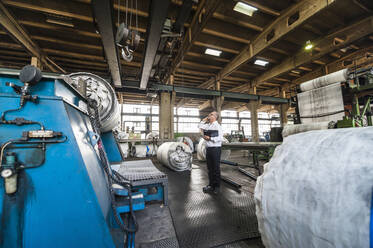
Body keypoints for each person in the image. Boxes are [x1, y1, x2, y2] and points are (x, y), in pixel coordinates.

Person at [198, 111, 223, 194]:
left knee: (216, 169)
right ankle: (211, 185)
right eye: (209, 114)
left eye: (211, 114)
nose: (209, 115)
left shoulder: (217, 126)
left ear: (215, 117)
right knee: (210, 168)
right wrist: (203, 120)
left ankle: (217, 187)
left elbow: (220, 138)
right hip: (208, 149)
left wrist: (210, 139)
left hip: (215, 149)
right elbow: (199, 126)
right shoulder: (208, 125)